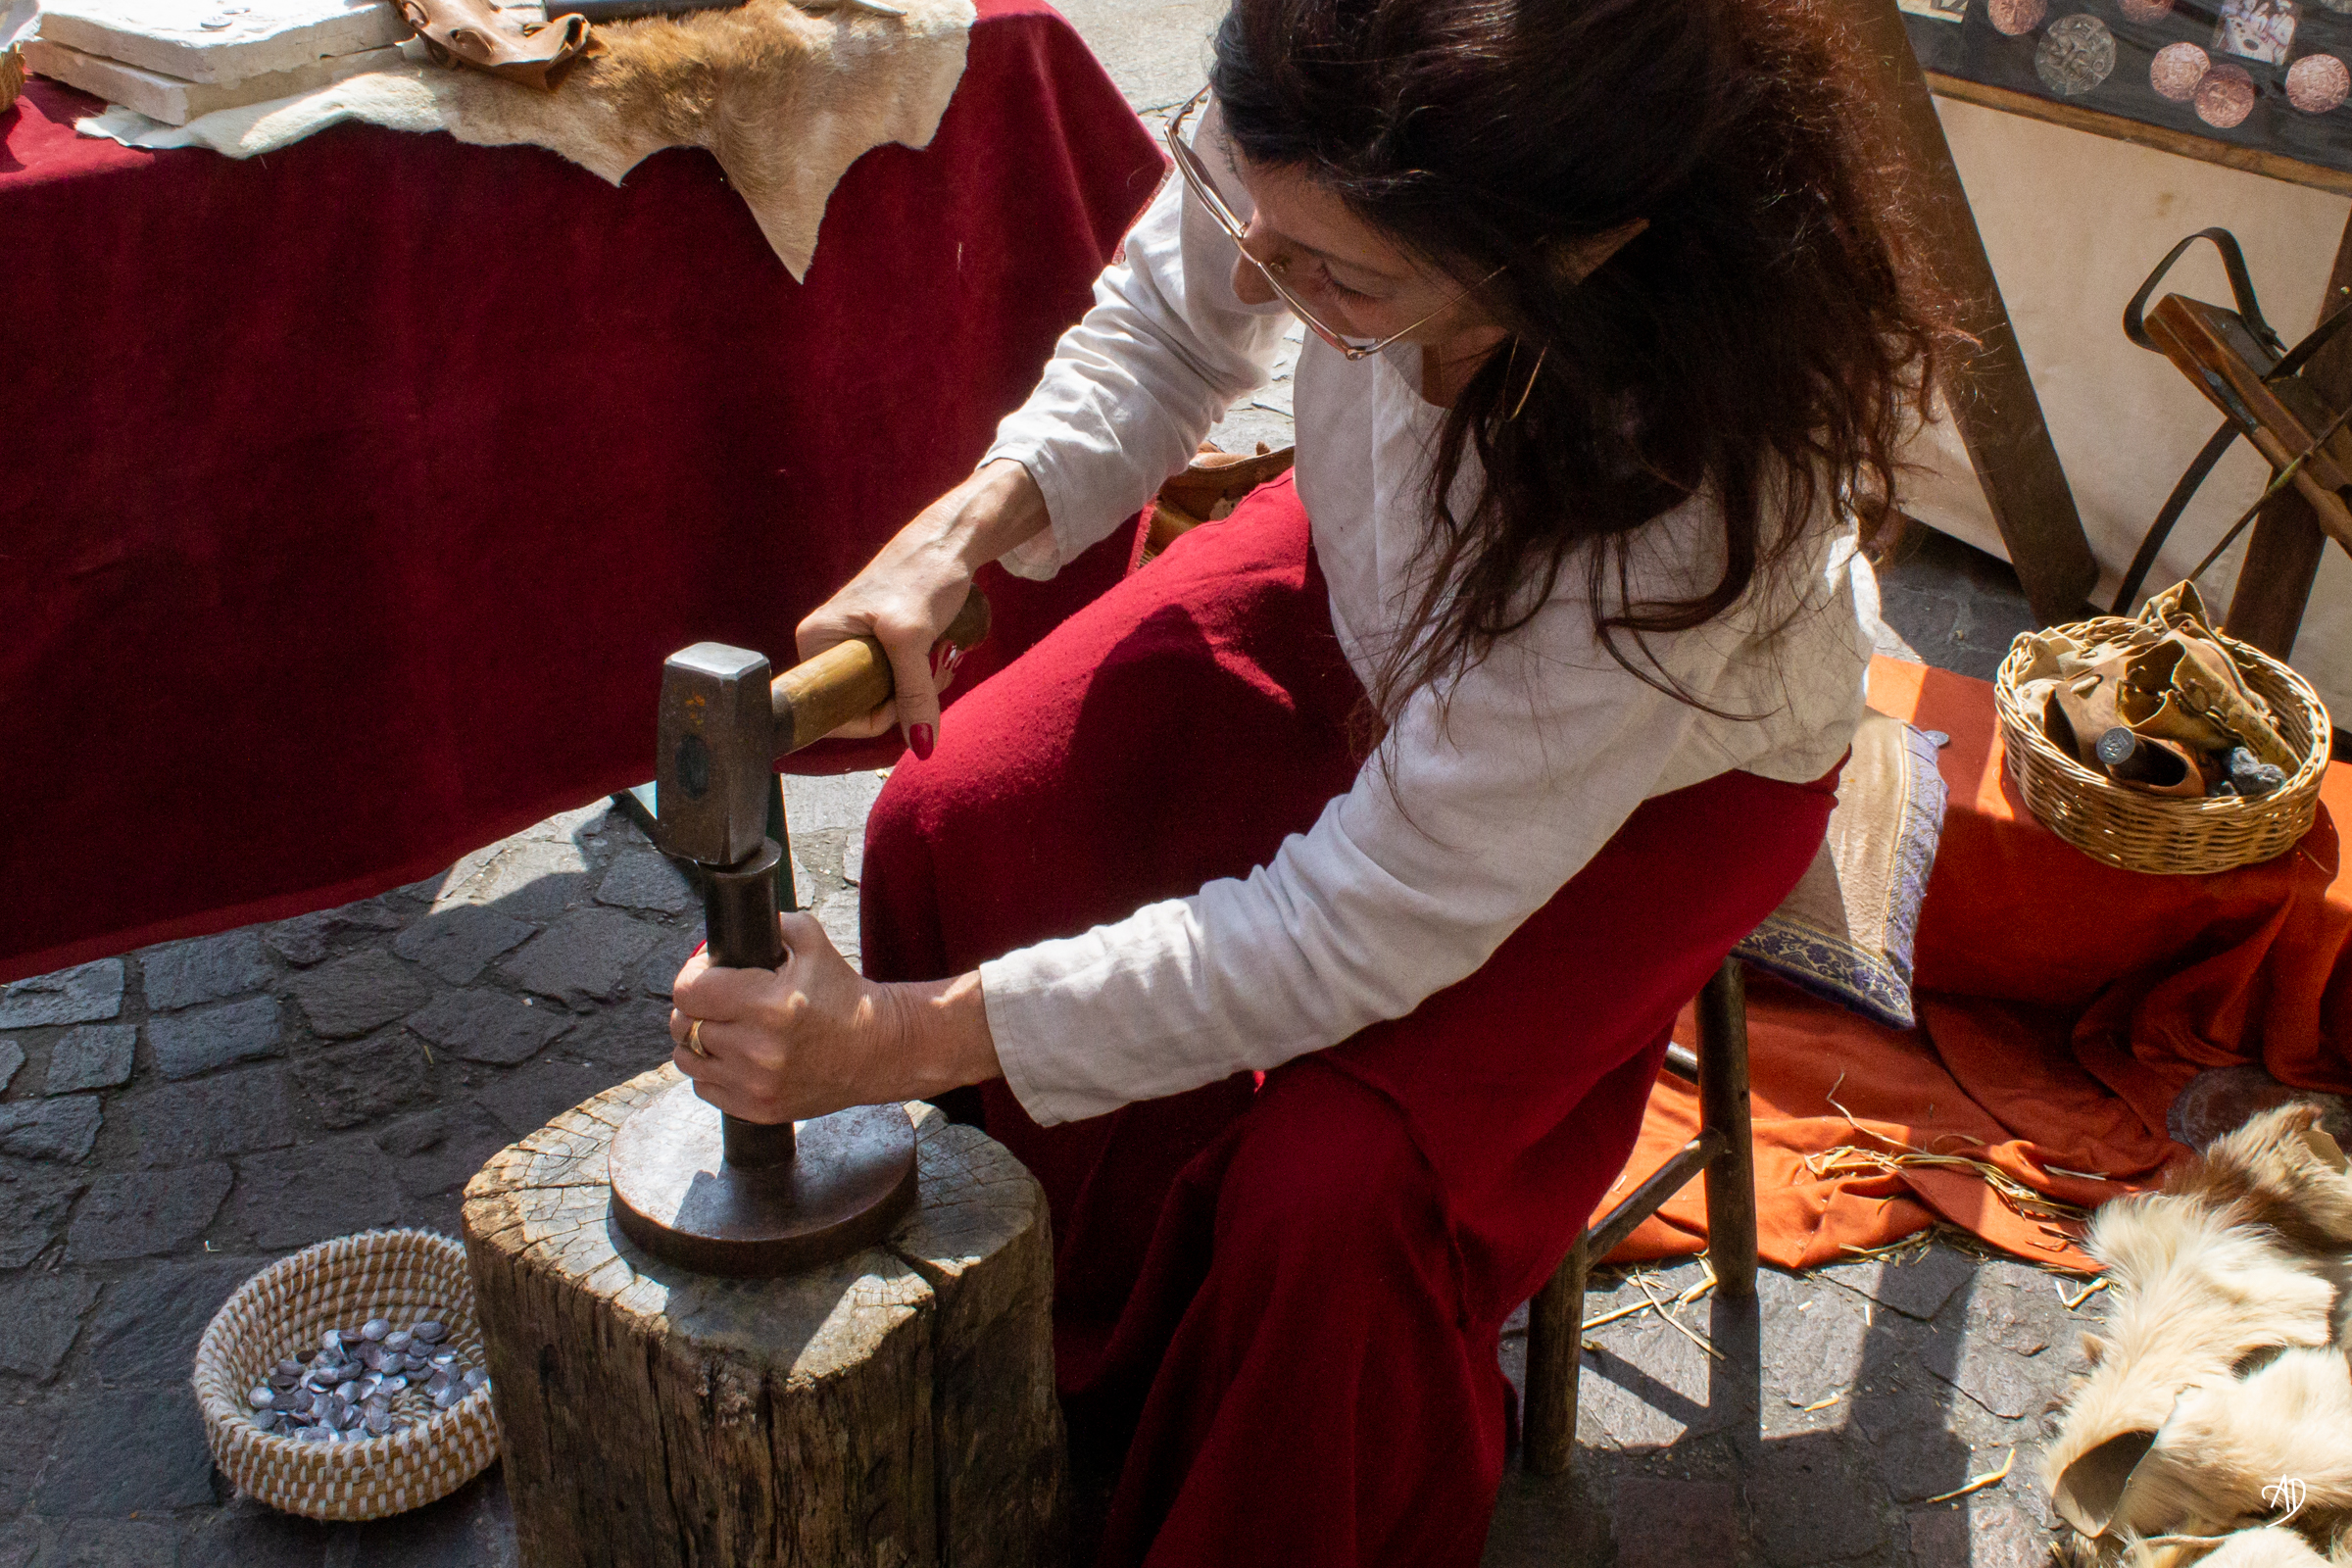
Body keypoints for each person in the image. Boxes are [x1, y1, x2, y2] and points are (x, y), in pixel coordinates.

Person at [665, 0, 1950, 1559]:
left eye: (1338, 281)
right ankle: (1082, 1341)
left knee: (1326, 1197)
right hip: (1378, 570)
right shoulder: (1327, 84)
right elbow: (1174, 317)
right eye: (1262, 229)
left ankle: (1251, 1467)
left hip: (1658, 777)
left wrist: (893, 1042)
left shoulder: (1681, 523)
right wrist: (969, 523)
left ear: (1581, 255)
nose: (1270, 283)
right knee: (954, 816)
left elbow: (1341, 933)